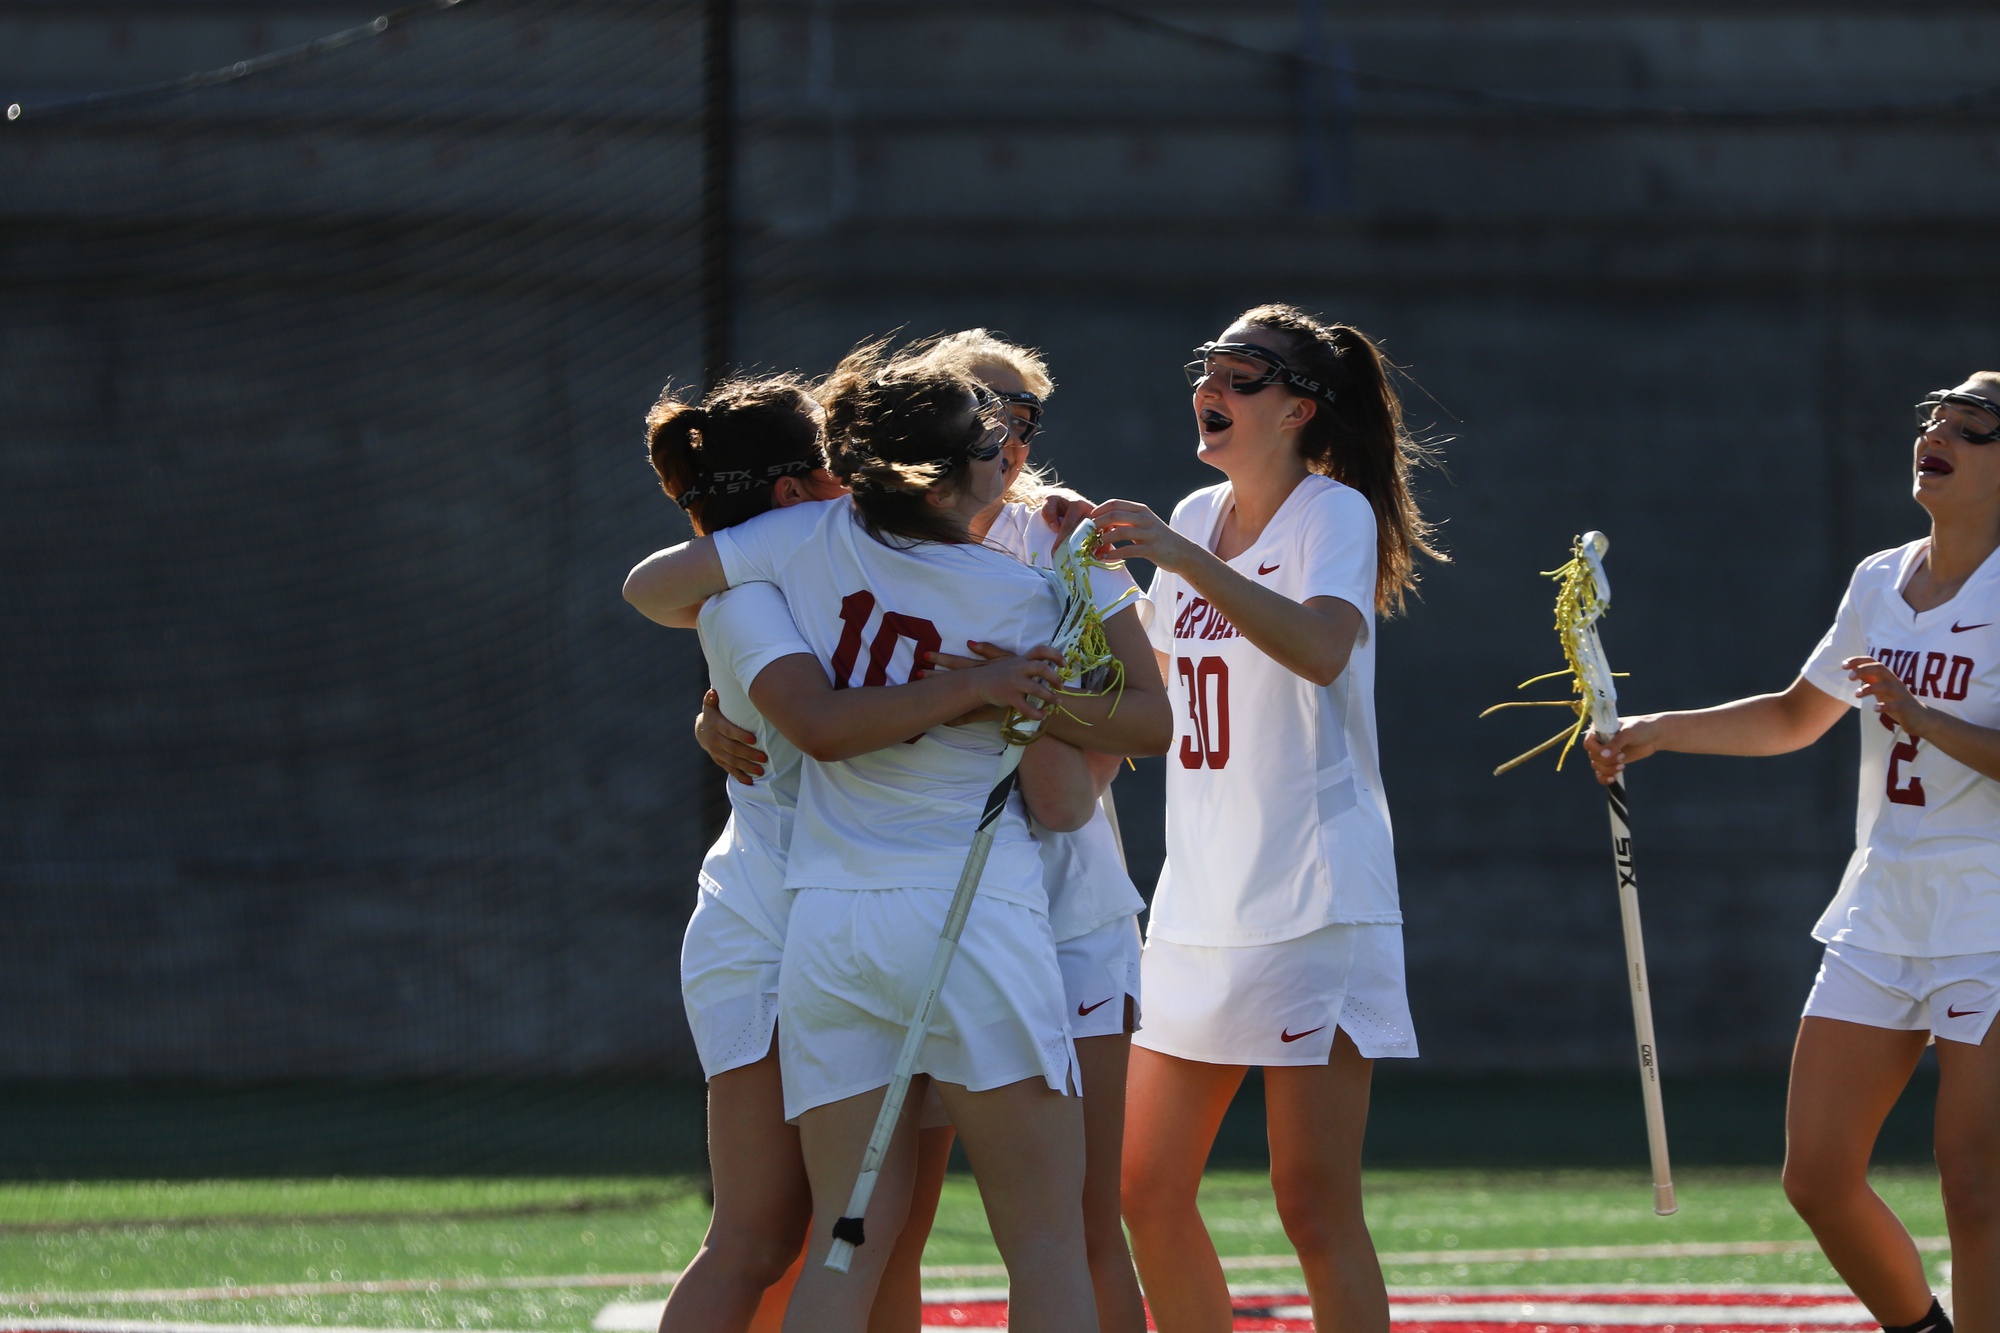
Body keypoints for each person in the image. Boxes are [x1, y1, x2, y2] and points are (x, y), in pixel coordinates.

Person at [626, 342, 1172, 1333]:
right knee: (1044, 1238)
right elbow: (1143, 730)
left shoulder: (797, 547)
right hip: (973, 919)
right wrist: (996, 686)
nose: (1010, 447)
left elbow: (656, 589)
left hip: (829, 930)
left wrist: (721, 704)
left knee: (849, 1240)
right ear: (950, 465)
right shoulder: (1025, 588)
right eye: (993, 432)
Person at [1591, 374, 2000, 1333]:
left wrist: (1920, 716)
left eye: (1972, 426)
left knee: (1976, 1184)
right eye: (1933, 418)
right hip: (1884, 906)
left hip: (1989, 917)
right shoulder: (1877, 580)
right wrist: (1655, 729)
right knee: (1816, 1173)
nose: (1937, 432)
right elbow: (1793, 715)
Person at [1092, 304, 1443, 1333]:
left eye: (1241, 376)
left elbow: (1323, 646)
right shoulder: (1193, 518)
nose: (1211, 388)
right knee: (1143, 1189)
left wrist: (1177, 557)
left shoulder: (1329, 514)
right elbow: (1148, 690)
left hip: (1311, 895)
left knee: (1312, 1203)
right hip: (1200, 898)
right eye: (1206, 368)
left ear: (1296, 409)